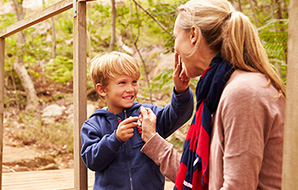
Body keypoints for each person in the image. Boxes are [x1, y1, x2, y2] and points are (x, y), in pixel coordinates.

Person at [139, 0, 286, 190]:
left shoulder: (243, 93)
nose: (175, 47)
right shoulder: (217, 93)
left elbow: (237, 186)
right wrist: (152, 140)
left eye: (175, 36)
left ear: (193, 35)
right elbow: (200, 176)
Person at [80, 51, 194, 190]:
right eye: (122, 83)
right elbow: (92, 161)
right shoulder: (94, 125)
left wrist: (181, 91)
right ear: (102, 90)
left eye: (134, 82)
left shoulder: (148, 115)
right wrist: (115, 139)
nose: (130, 89)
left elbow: (179, 114)